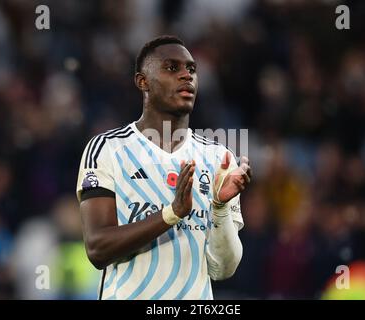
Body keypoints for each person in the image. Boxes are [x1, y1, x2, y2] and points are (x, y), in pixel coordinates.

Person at [76, 35, 252, 300]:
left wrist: (219, 208)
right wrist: (171, 214)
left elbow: (223, 269)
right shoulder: (107, 149)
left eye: (191, 69)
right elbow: (97, 249)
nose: (186, 76)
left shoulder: (219, 159)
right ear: (142, 82)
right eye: (172, 68)